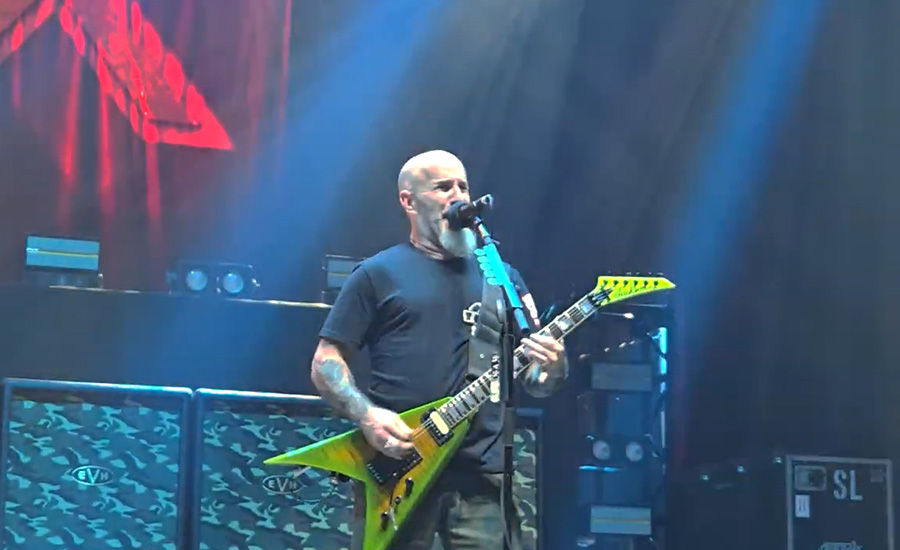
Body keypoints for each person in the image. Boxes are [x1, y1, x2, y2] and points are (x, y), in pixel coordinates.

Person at [310, 150, 568, 550]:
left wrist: (553, 365)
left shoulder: (501, 277)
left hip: (482, 479)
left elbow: (538, 382)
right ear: (409, 201)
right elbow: (326, 361)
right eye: (443, 187)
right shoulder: (377, 274)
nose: (458, 195)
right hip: (399, 470)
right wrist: (367, 416)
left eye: (463, 186)